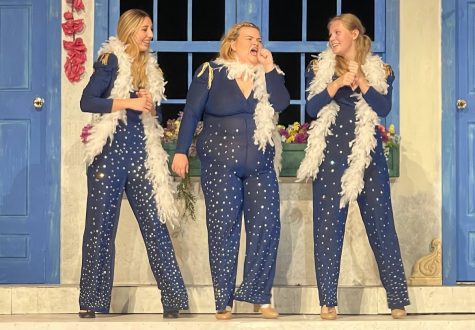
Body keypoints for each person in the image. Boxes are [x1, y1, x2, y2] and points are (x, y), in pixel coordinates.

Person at [172, 22, 290, 320]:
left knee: (266, 226)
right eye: (250, 38)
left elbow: (282, 103)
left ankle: (259, 296)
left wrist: (270, 67)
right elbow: (191, 113)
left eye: (259, 39)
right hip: (220, 164)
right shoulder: (211, 72)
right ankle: (223, 300)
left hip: (261, 165)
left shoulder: (267, 75)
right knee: (223, 229)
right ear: (232, 44)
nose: (256, 43)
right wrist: (181, 150)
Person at [297, 13, 410, 320]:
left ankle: (397, 299)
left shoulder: (381, 70)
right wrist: (335, 85)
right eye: (329, 33)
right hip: (331, 156)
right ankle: (328, 301)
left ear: (355, 34)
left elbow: (384, 108)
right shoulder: (319, 68)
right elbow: (311, 109)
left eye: (337, 32)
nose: (332, 38)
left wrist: (362, 83)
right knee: (327, 228)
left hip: (368, 156)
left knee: (382, 225)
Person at [78, 9, 189, 319]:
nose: (149, 35)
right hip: (110, 154)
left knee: (155, 225)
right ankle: (91, 301)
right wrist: (129, 102)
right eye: (144, 29)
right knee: (100, 229)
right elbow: (88, 101)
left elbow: (148, 117)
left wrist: (149, 108)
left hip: (141, 154)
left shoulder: (150, 68)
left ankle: (173, 300)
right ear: (129, 30)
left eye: (151, 29)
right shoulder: (110, 60)